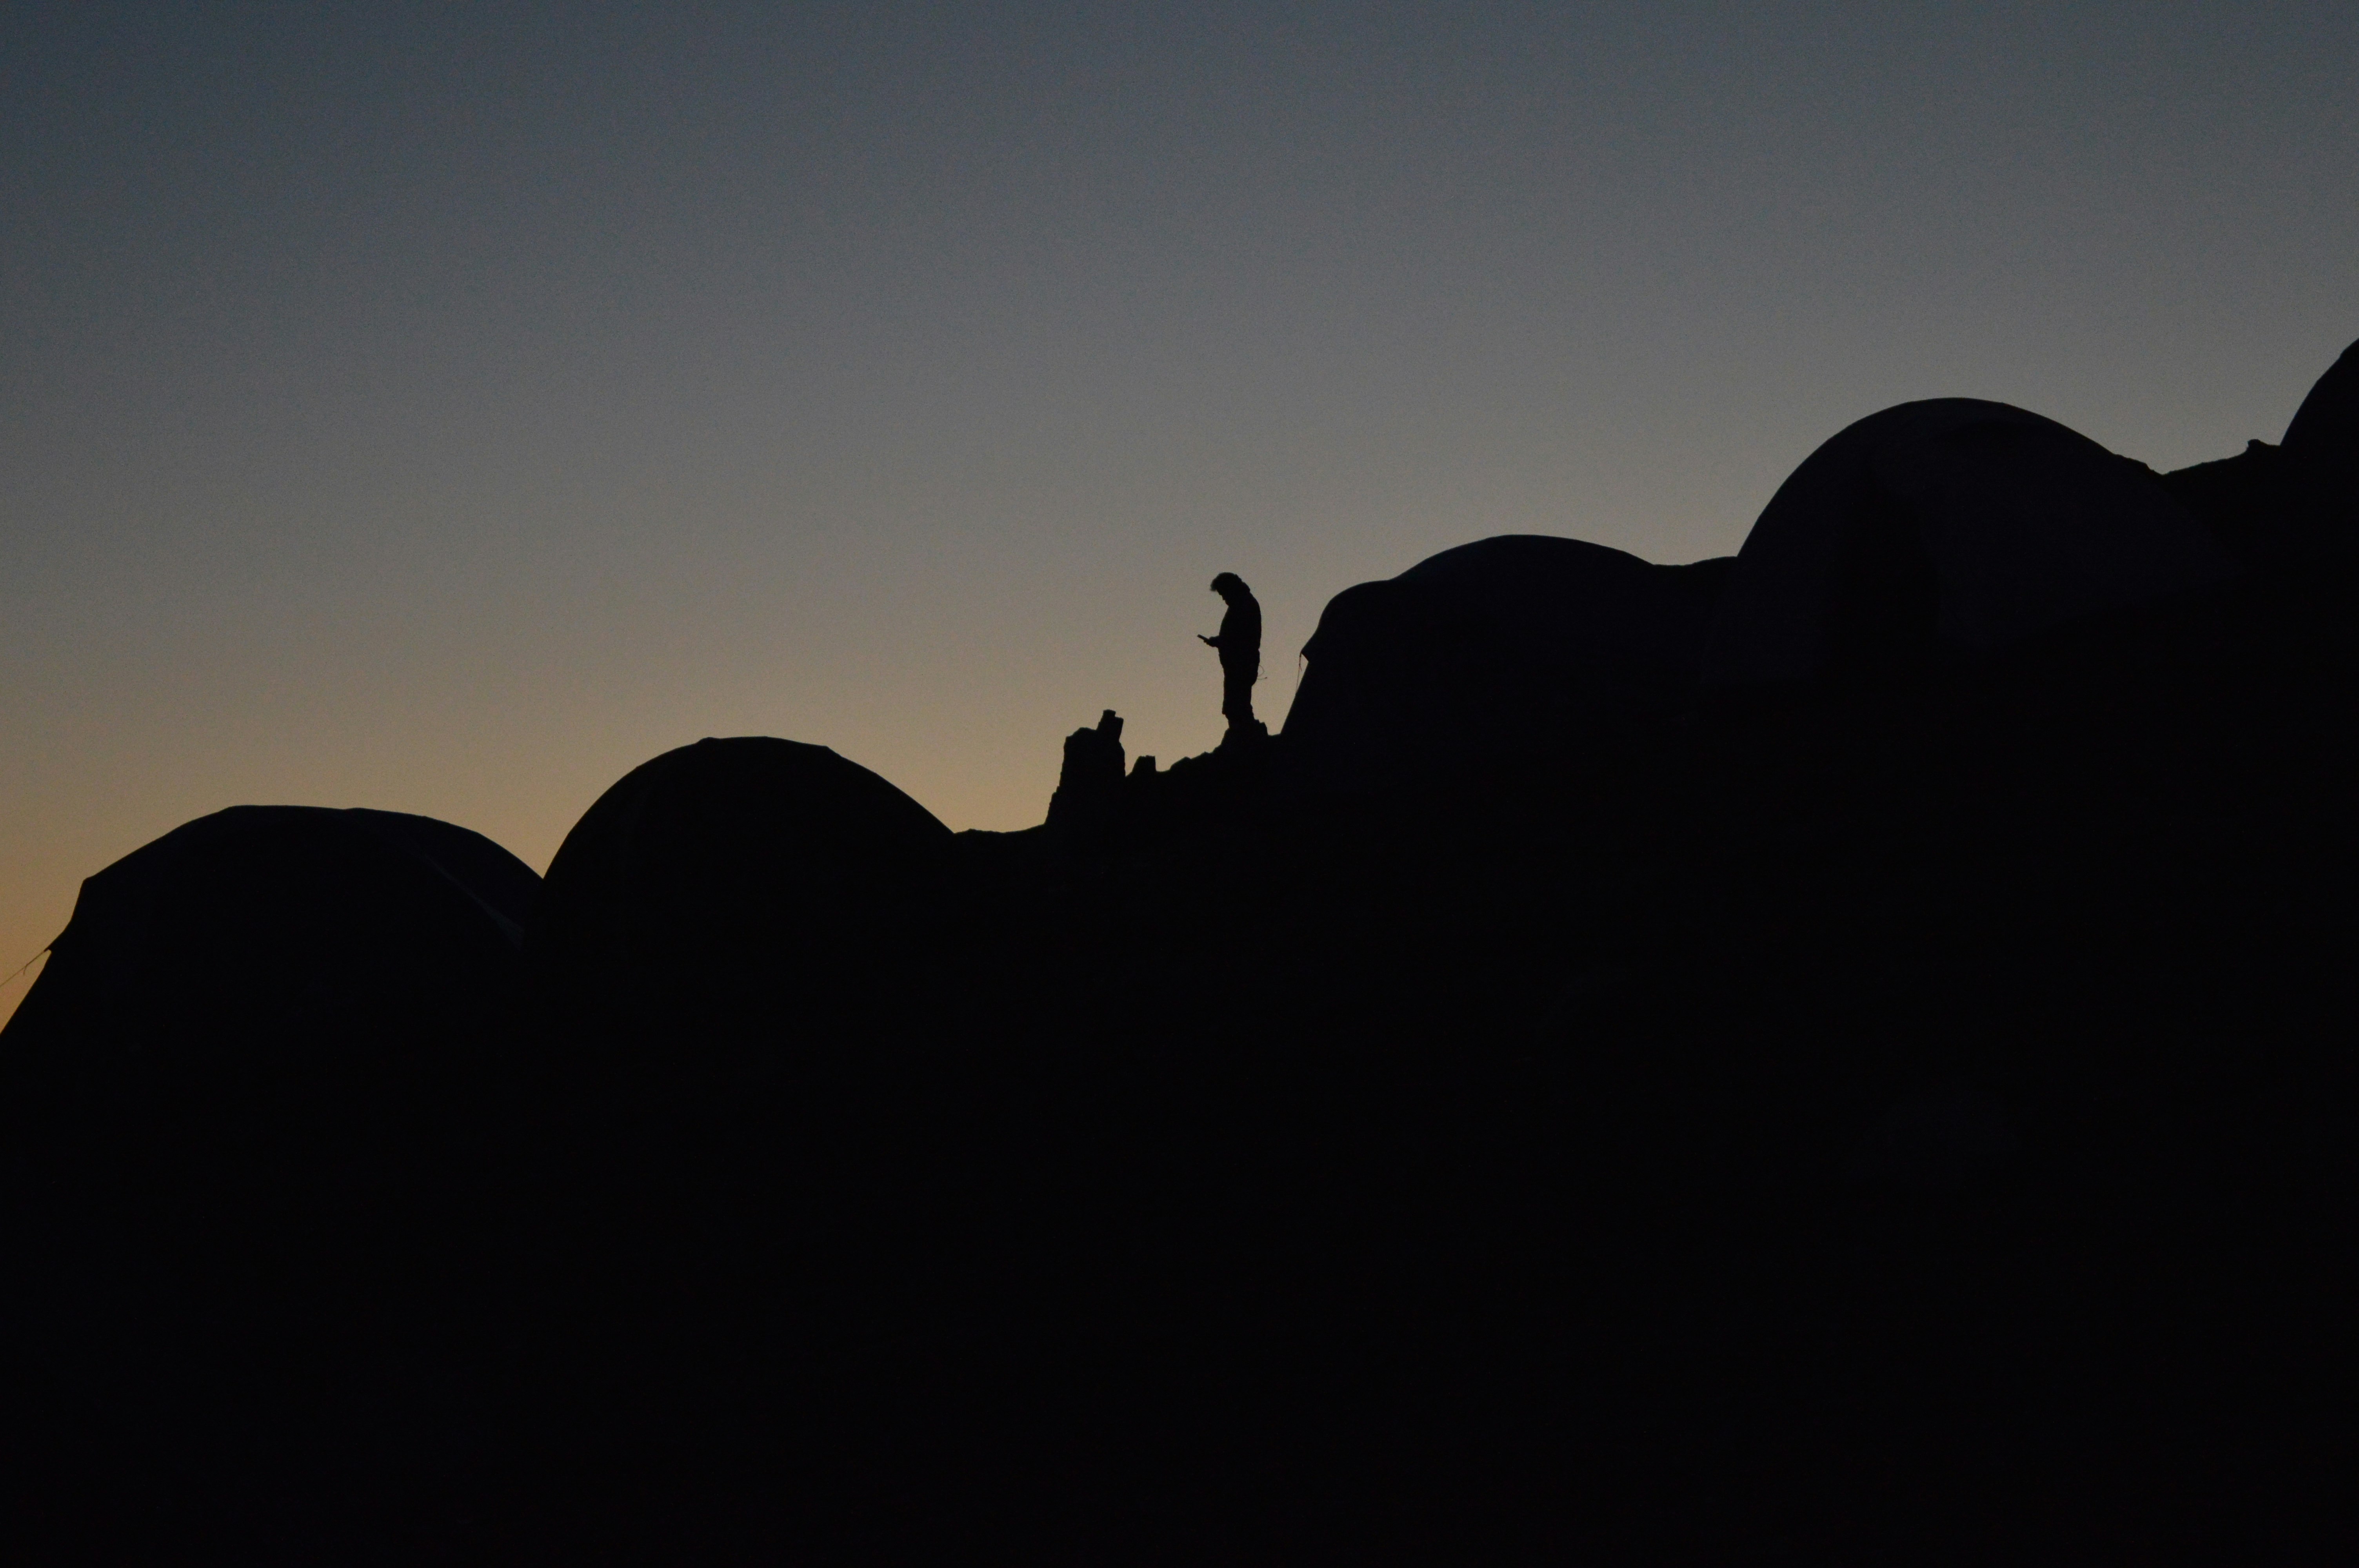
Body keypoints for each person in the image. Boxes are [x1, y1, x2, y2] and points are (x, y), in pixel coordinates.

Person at [1198, 572, 1265, 739]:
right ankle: (1243, 736)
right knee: (1235, 705)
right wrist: (1220, 642)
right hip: (1239, 665)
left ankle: (1244, 739)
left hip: (1242, 665)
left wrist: (1220, 642)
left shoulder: (1244, 605)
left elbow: (1240, 638)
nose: (1223, 598)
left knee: (1236, 705)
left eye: (1223, 593)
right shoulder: (1242, 604)